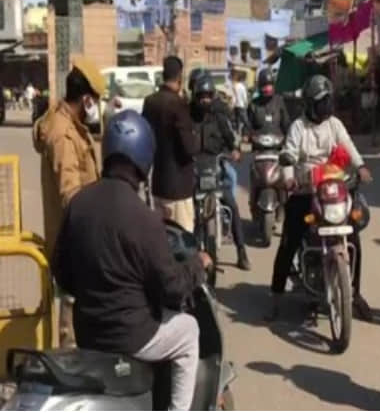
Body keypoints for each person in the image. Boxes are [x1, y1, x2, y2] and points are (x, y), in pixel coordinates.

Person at [53, 110, 212, 411]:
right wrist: (198, 264)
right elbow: (173, 289)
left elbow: (62, 274)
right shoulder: (143, 217)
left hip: (87, 331)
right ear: (144, 160)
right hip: (131, 337)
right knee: (189, 330)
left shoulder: (79, 204)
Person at [269, 75, 374, 321]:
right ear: (309, 104)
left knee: (353, 237)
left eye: (329, 100)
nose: (327, 106)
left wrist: (361, 166)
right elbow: (289, 154)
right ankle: (276, 296)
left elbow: (347, 145)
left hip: (333, 189)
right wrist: (288, 177)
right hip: (305, 190)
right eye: (322, 102)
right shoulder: (298, 127)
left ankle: (355, 293)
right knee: (289, 240)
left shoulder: (334, 124)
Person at [33, 58, 106, 348]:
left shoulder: (64, 122)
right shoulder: (63, 135)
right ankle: (70, 378)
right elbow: (71, 195)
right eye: (95, 102)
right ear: (87, 100)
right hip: (74, 240)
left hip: (75, 237)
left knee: (77, 312)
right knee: (72, 325)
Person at [190, 75, 251, 271]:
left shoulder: (218, 117)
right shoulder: (189, 118)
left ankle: (241, 252)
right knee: (186, 213)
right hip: (195, 173)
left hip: (215, 171)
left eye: (208, 96)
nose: (205, 100)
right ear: (195, 97)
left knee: (232, 206)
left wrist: (234, 149)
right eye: (201, 96)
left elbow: (230, 137)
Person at [144, 56, 199, 232]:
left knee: (162, 238)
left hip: (158, 184)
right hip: (179, 189)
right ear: (180, 77)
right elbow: (189, 147)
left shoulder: (150, 101)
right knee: (183, 239)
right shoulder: (178, 104)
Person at [246, 68, 292, 214]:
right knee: (254, 177)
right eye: (264, 85)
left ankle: (285, 206)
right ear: (260, 86)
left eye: (269, 85)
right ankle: (253, 202)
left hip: (277, 150)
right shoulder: (253, 105)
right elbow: (247, 125)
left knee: (287, 178)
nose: (267, 88)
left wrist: (289, 136)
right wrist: (246, 135)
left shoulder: (280, 102)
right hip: (259, 151)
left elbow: (286, 124)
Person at [232, 70, 250, 134]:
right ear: (241, 79)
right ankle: (249, 129)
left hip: (236, 105)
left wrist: (233, 104)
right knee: (245, 119)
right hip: (242, 105)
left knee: (237, 119)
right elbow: (244, 96)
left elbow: (234, 96)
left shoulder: (235, 86)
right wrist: (246, 103)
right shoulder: (242, 87)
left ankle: (237, 131)